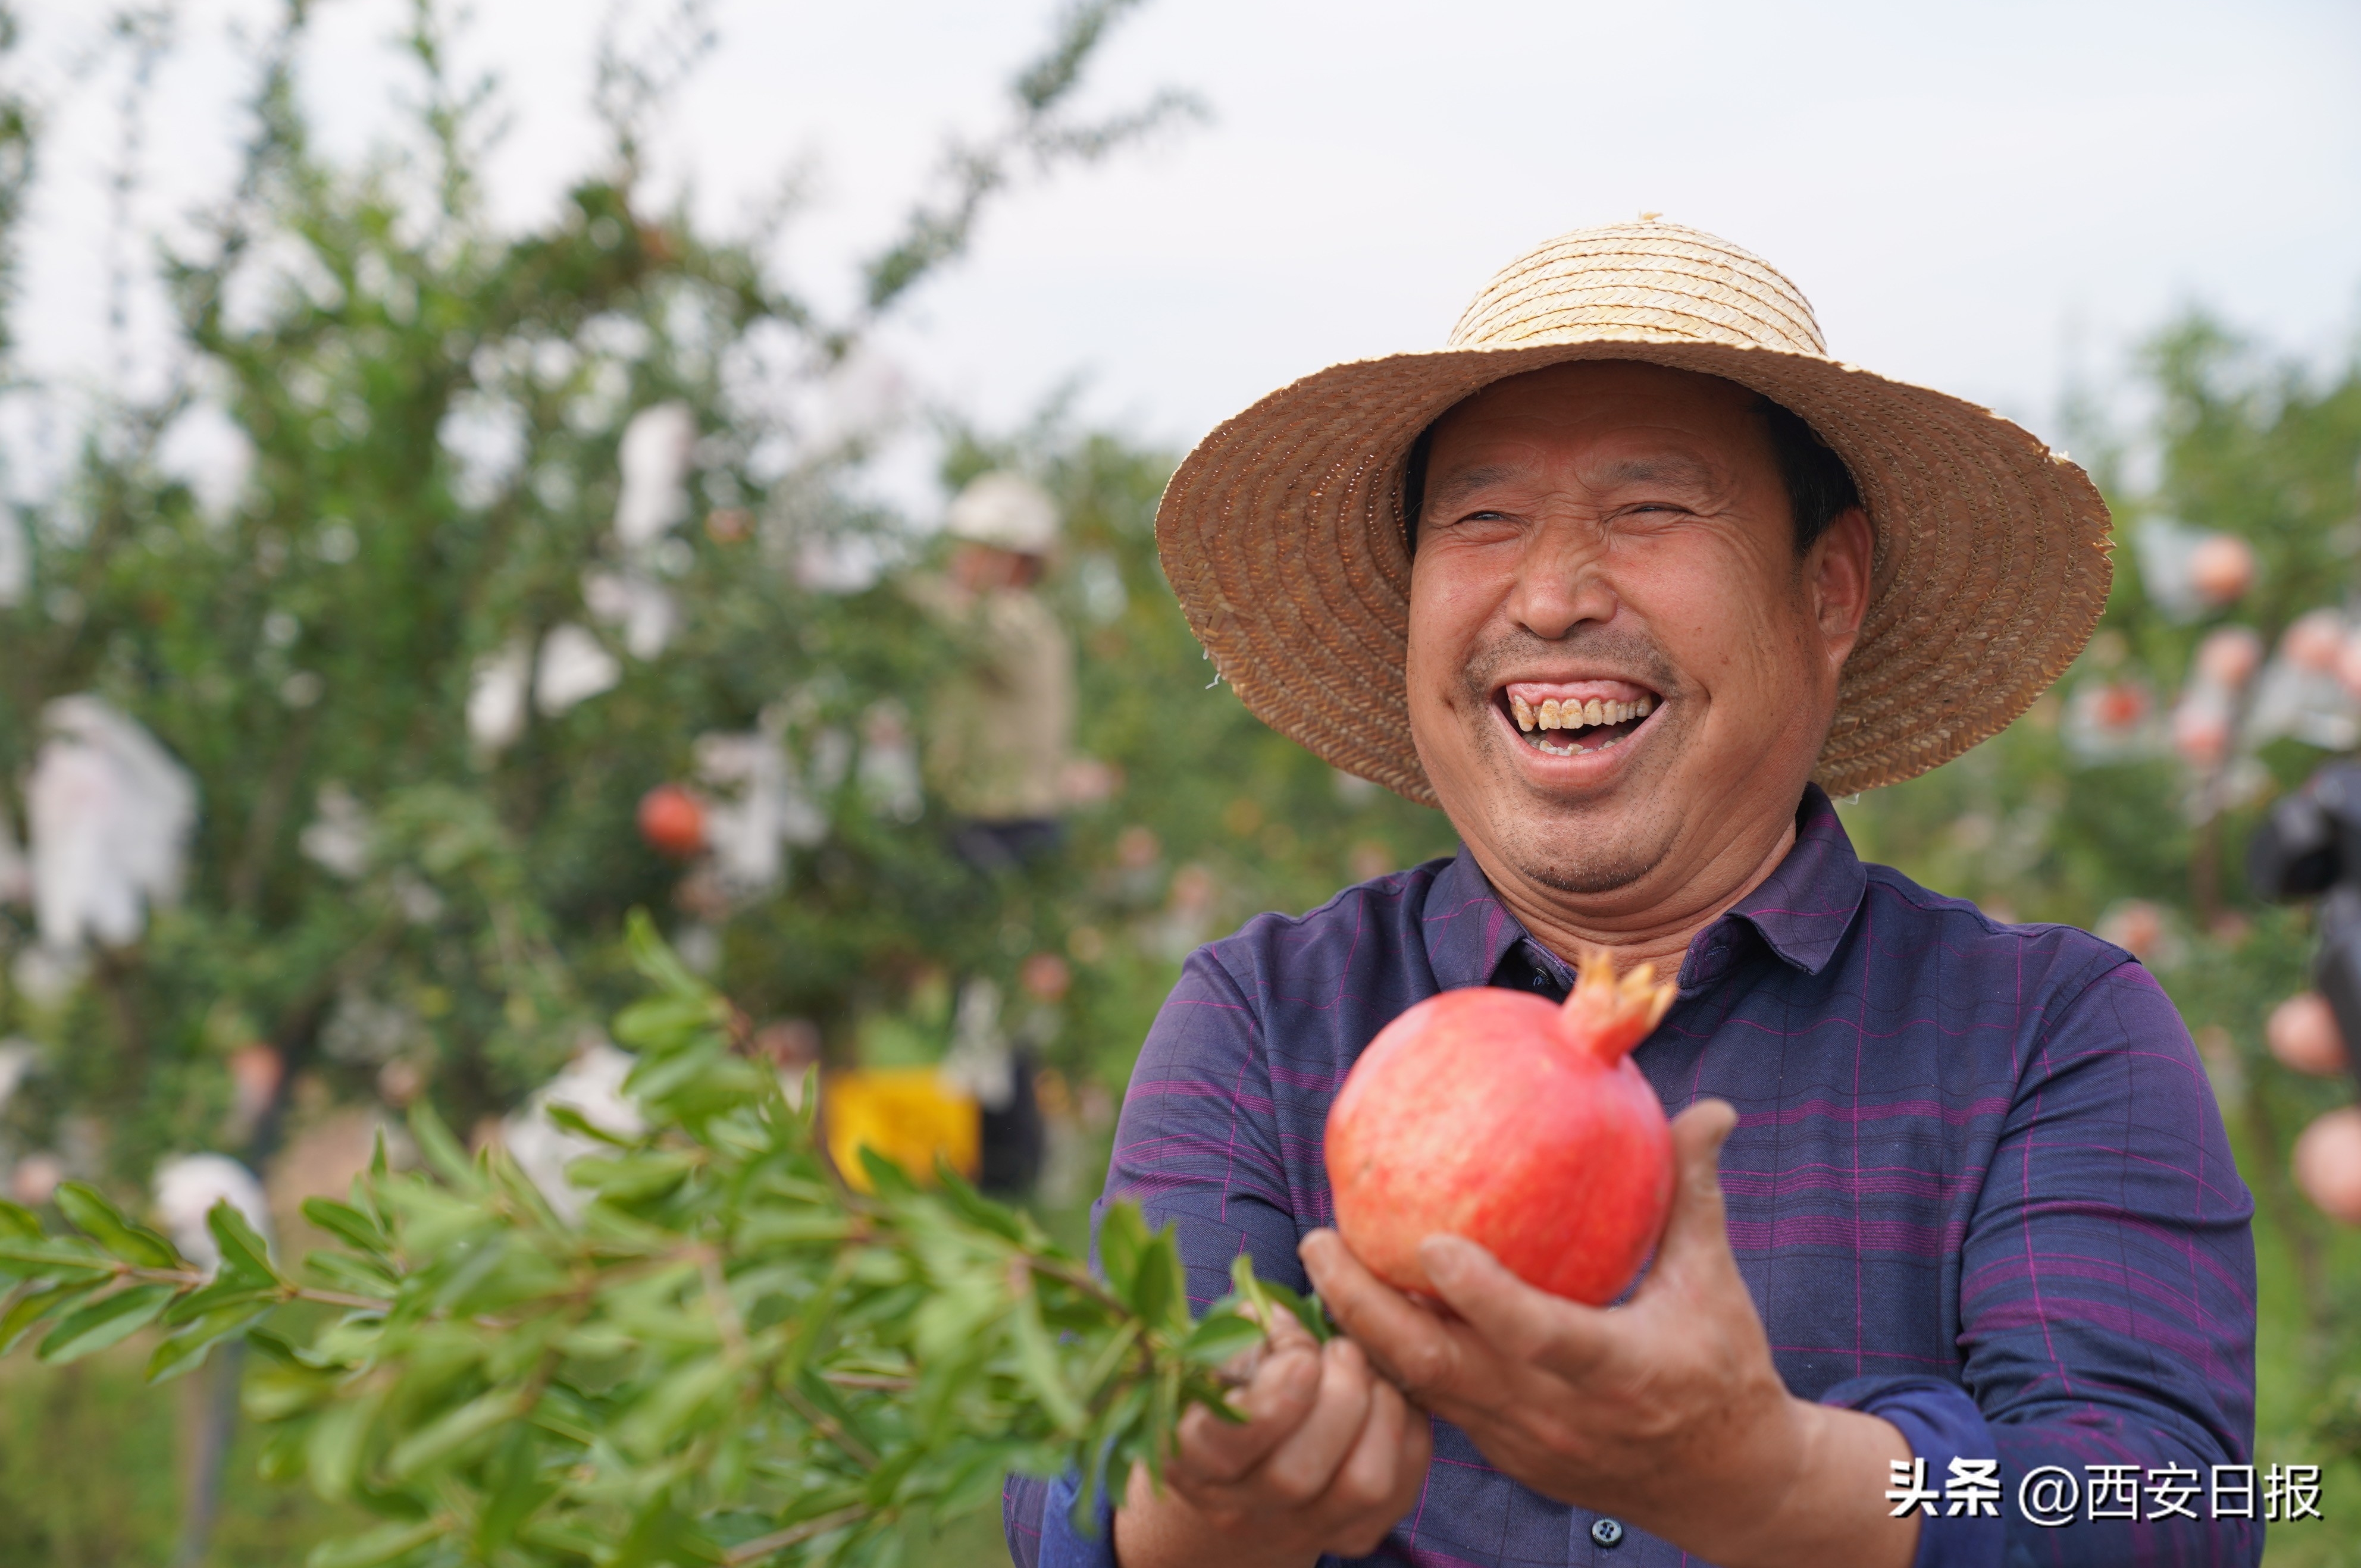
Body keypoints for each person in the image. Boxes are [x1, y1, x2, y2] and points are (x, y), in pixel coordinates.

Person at [1003, 221, 2258, 1567]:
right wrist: (1202, 1492)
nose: (1548, 595)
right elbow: (1071, 1495)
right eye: (1481, 518)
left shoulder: (2046, 1030)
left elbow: (2170, 1508)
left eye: (1650, 511)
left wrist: (1785, 1483)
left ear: (1827, 589)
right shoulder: (1265, 1020)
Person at [912, 470, 1078, 1194]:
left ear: (1011, 560)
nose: (960, 563)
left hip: (1007, 835)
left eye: (975, 550)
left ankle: (1005, 1170)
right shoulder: (1005, 624)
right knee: (981, 1006)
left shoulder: (1014, 624)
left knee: (994, 1008)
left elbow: (944, 619)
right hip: (987, 831)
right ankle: (989, 1160)